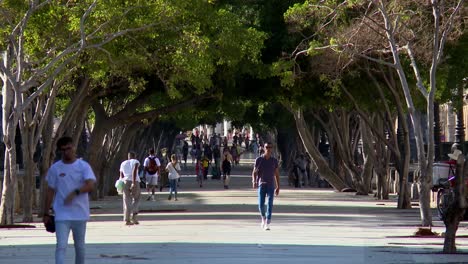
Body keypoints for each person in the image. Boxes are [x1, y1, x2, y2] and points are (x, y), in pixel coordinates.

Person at [43, 136, 96, 264]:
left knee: (80, 247)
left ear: (73, 147)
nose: (67, 152)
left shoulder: (83, 166)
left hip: (80, 214)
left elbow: (90, 185)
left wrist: (75, 192)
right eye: (63, 150)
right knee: (61, 246)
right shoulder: (55, 168)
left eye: (69, 148)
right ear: (60, 151)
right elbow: (50, 191)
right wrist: (45, 213)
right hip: (61, 214)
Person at [252, 142, 280, 231]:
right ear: (264, 148)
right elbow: (254, 172)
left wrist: (278, 186)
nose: (268, 149)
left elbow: (277, 174)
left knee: (270, 203)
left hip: (271, 185)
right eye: (267, 147)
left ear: (272, 149)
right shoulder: (259, 160)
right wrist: (254, 181)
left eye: (270, 147)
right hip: (261, 184)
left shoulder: (274, 161)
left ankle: (267, 222)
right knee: (261, 205)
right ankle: (263, 218)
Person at [119, 151, 141, 225]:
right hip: (134, 181)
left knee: (126, 200)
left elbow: (121, 174)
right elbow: (134, 171)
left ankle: (127, 220)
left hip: (125, 181)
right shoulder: (136, 161)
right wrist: (133, 182)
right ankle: (134, 217)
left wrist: (122, 182)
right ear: (134, 156)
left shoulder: (123, 163)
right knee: (136, 198)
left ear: (128, 156)